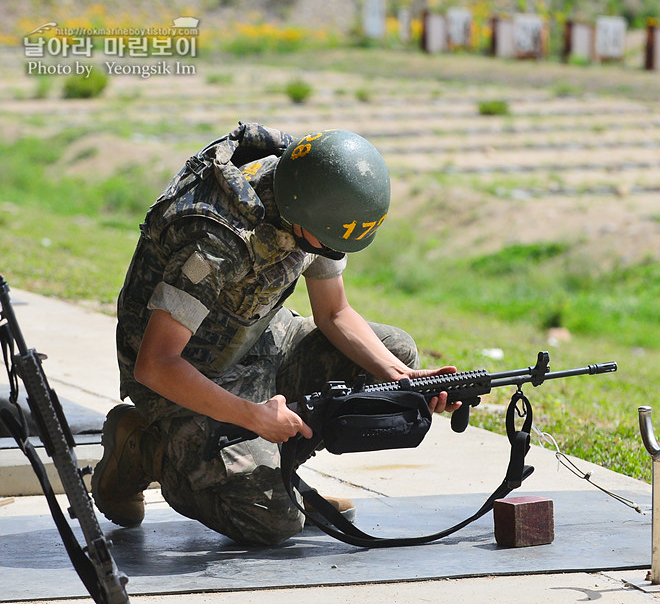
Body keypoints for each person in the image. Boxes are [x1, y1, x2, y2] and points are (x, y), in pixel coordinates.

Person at [93, 123, 458, 546]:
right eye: (327, 244)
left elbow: (334, 312)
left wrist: (398, 377)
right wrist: (253, 416)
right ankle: (146, 450)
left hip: (261, 336)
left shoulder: (308, 198)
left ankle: (278, 468)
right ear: (304, 217)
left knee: (393, 355)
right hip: (185, 375)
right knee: (273, 523)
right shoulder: (217, 239)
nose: (329, 252)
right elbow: (155, 365)